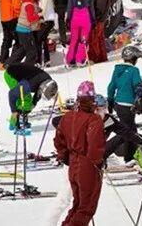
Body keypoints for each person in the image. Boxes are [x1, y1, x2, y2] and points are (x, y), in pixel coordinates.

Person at [54, 81, 105, 226]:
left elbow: (59, 140)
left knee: (78, 204)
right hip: (87, 165)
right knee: (86, 207)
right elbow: (94, 145)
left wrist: (65, 156)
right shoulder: (93, 119)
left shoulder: (68, 117)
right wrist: (98, 162)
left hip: (73, 164)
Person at [105, 46, 142, 162]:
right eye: (136, 58)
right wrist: (141, 98)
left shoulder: (117, 70)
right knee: (128, 132)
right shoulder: (134, 70)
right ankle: (125, 156)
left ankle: (131, 155)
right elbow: (137, 87)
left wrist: (110, 101)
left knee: (129, 129)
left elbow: (111, 87)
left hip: (118, 104)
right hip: (128, 105)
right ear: (133, 58)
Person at [4, 62, 57, 130]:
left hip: (26, 75)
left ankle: (22, 116)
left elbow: (38, 93)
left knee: (28, 103)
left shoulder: (48, 81)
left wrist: (33, 104)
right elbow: (11, 94)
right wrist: (14, 111)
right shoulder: (28, 85)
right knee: (25, 99)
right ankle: (15, 121)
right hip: (10, 74)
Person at [65, 0, 94, 67]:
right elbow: (91, 9)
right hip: (86, 18)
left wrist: (68, 19)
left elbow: (70, 7)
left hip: (75, 18)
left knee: (74, 40)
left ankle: (70, 60)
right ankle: (80, 60)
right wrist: (93, 19)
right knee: (83, 40)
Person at [8, 0, 41, 65]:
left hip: (21, 29)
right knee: (32, 52)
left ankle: (10, 64)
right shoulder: (29, 5)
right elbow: (31, 18)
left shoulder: (26, 1)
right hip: (25, 30)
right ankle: (27, 68)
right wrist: (39, 15)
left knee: (23, 49)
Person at [0, 0, 22, 66]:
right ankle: (13, 61)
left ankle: (2, 61)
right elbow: (17, 6)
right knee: (18, 40)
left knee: (6, 39)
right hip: (13, 18)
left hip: (3, 17)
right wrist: (20, 16)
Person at [36, 0, 56, 66]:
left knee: (38, 40)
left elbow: (43, 11)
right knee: (43, 40)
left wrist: (35, 15)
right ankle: (47, 60)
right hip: (46, 20)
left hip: (47, 21)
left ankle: (38, 61)